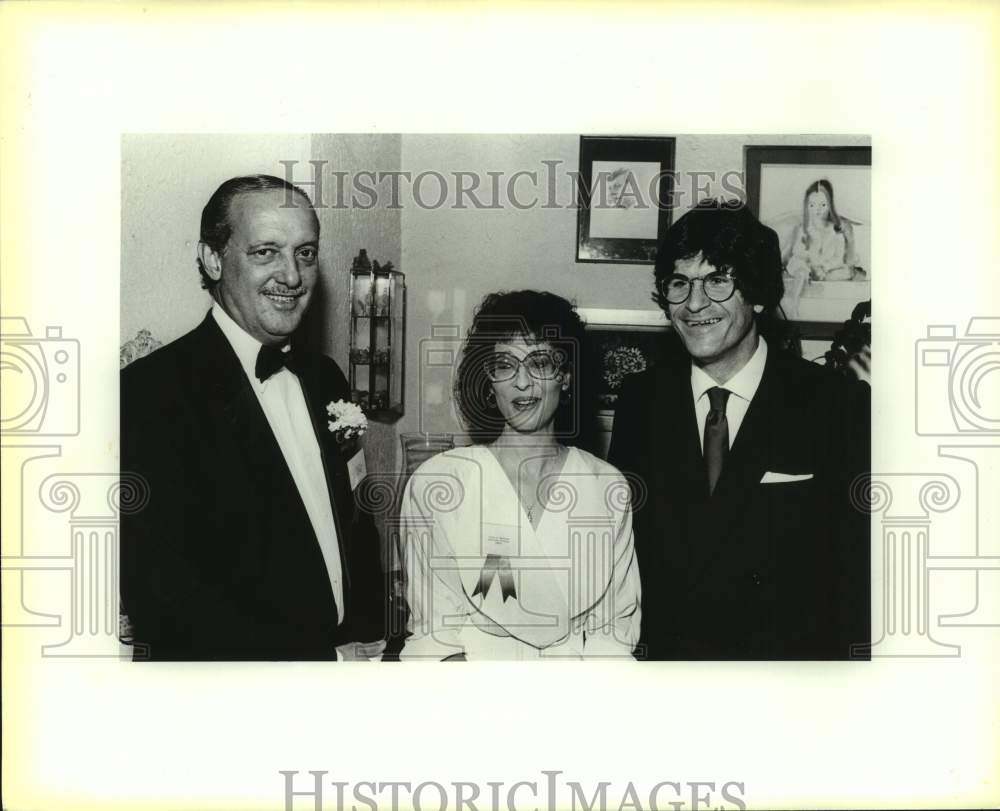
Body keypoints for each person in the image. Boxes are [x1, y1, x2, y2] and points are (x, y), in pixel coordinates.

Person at [121, 174, 386, 661]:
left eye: (305, 253)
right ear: (213, 259)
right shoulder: (150, 393)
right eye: (266, 252)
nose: (292, 276)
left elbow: (356, 529)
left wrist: (371, 639)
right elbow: (165, 595)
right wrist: (322, 663)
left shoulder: (325, 378)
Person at [608, 200, 870, 660]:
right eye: (679, 283)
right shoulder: (640, 401)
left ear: (759, 292)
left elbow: (857, 580)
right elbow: (619, 560)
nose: (694, 303)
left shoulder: (836, 404)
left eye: (717, 280)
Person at [399, 291, 641, 660]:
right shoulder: (441, 482)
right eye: (504, 364)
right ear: (489, 381)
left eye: (540, 362)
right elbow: (435, 634)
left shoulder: (606, 486)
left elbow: (614, 634)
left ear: (567, 376)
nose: (522, 383)